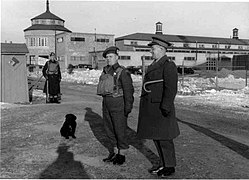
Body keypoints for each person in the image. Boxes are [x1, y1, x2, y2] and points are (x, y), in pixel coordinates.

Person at [137, 36, 180, 177]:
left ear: (162, 49)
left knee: (165, 138)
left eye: (153, 49)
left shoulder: (168, 65)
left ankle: (170, 166)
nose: (151, 51)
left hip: (161, 107)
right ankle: (162, 164)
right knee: (157, 137)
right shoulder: (156, 63)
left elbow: (171, 88)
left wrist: (166, 106)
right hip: (153, 107)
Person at [98, 46, 134, 165]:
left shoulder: (122, 72)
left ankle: (122, 153)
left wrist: (128, 107)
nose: (108, 59)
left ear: (117, 57)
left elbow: (129, 91)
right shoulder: (105, 71)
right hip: (107, 103)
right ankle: (114, 151)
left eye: (111, 56)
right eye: (107, 57)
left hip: (118, 104)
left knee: (120, 129)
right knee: (109, 129)